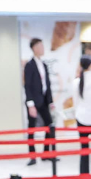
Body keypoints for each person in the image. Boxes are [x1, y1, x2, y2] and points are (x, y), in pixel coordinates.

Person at [24, 37, 55, 166]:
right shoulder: (29, 65)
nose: (42, 49)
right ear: (34, 48)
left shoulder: (43, 64)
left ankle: (46, 154)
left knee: (49, 126)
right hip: (33, 102)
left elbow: (46, 84)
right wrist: (30, 104)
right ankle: (32, 156)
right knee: (31, 129)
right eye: (40, 46)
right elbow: (28, 85)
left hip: (43, 101)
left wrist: (50, 101)